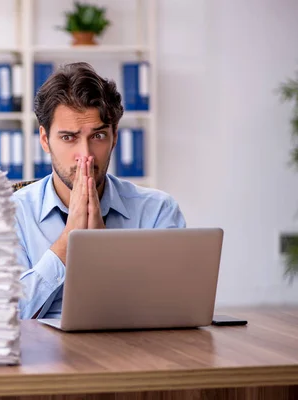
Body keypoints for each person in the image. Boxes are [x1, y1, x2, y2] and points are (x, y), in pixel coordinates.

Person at [12, 62, 186, 320]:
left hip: (131, 354)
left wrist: (103, 253)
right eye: (68, 137)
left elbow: (175, 309)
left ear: (115, 136)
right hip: (42, 356)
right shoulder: (10, 213)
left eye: (98, 136)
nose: (85, 155)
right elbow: (6, 316)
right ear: (45, 140)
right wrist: (68, 243)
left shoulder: (157, 211)